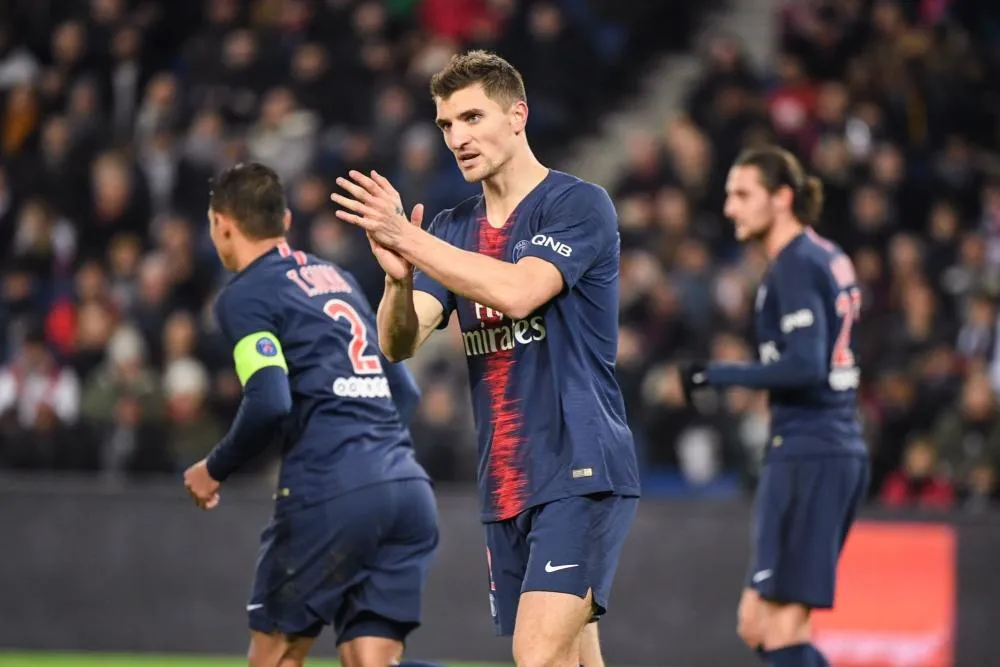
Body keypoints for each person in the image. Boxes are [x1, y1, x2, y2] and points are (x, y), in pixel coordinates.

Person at [331, 50, 641, 667]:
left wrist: (407, 235)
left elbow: (521, 291)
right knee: (572, 659)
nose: (457, 138)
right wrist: (397, 280)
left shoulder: (577, 204)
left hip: (579, 468)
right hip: (506, 480)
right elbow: (398, 342)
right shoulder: (453, 229)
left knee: (537, 655)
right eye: (447, 125)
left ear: (517, 115)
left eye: (472, 118)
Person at [183, 162, 441, 667]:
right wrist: (374, 462)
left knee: (275, 658)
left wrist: (214, 468)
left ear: (222, 225)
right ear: (283, 219)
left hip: (330, 488)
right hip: (405, 487)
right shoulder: (337, 279)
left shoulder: (244, 295)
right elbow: (404, 392)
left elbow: (268, 400)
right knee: (370, 662)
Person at [679, 146, 870, 667]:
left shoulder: (794, 266)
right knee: (758, 623)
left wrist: (715, 373)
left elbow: (806, 366)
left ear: (782, 198)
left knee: (780, 626)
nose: (730, 208)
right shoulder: (825, 254)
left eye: (743, 195)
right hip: (823, 446)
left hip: (811, 448)